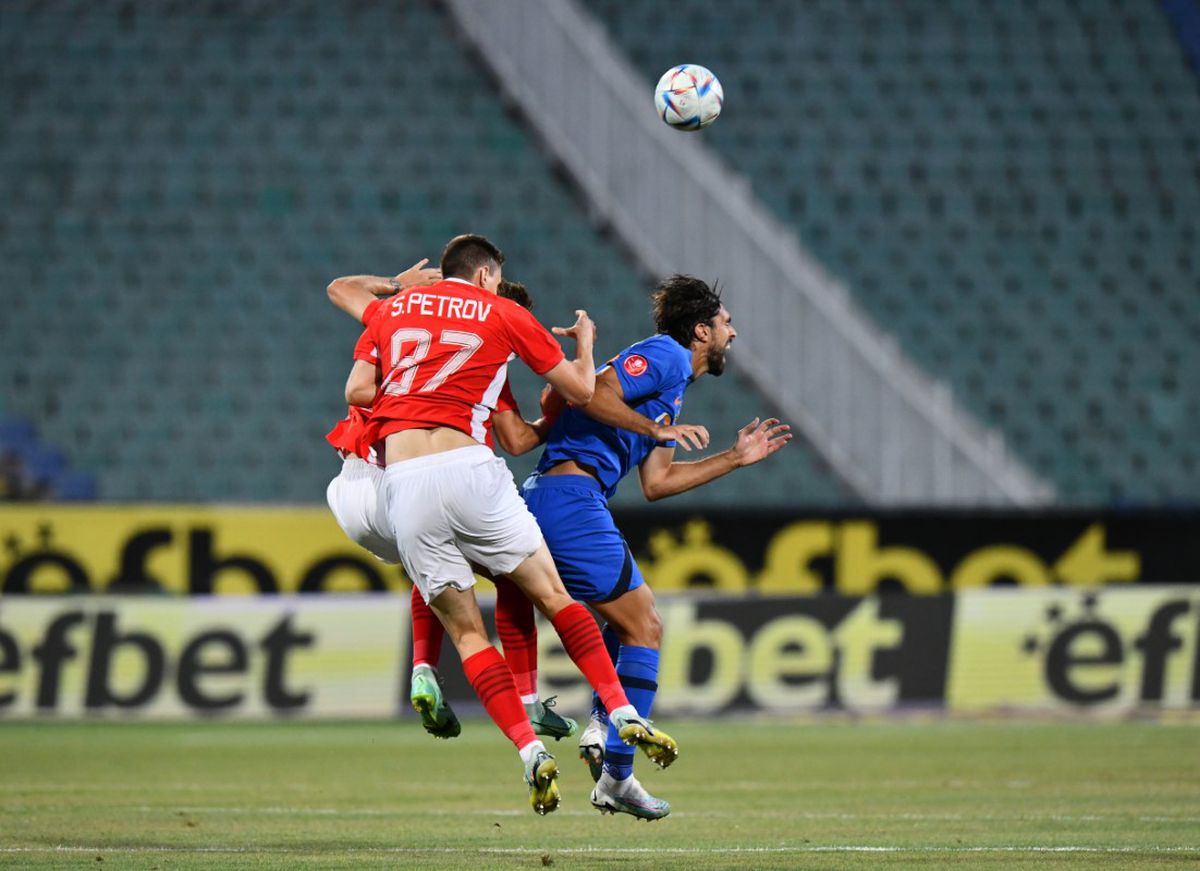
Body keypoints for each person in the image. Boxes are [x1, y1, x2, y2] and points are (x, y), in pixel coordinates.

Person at [325, 234, 678, 815]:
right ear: (488, 275)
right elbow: (582, 392)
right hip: (468, 465)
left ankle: (526, 749)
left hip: (397, 478)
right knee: (549, 592)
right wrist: (585, 344)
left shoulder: (398, 309)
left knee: (465, 631)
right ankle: (620, 710)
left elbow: (341, 299)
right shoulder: (503, 313)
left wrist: (397, 285)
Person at [520, 274, 792, 820]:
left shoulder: (672, 386)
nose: (732, 334)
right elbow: (591, 393)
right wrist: (654, 427)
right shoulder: (665, 356)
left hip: (570, 498)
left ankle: (605, 730)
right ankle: (616, 770)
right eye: (725, 324)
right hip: (568, 498)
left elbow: (657, 483)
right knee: (645, 625)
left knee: (629, 624)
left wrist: (734, 460)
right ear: (700, 331)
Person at [326, 277, 577, 742]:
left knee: (439, 565)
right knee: (515, 575)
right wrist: (558, 415)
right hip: (405, 479)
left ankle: (422, 667)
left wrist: (396, 284)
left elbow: (340, 293)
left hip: (355, 483)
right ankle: (527, 701)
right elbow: (518, 439)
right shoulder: (479, 359)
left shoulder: (398, 321)